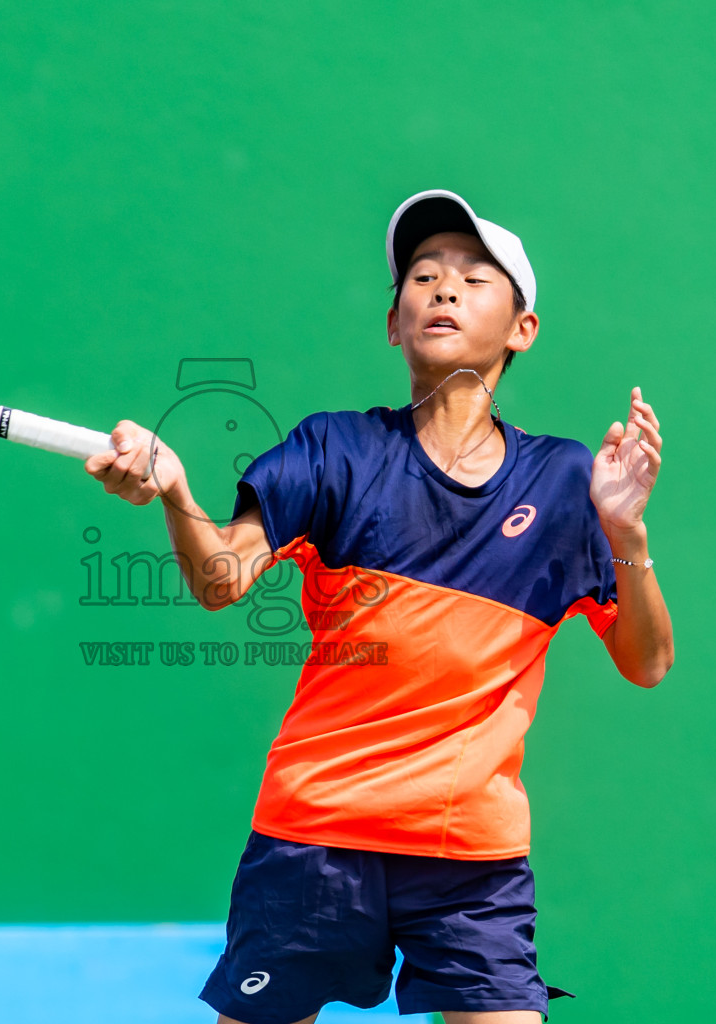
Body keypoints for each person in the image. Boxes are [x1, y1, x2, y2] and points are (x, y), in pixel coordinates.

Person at [85, 189, 675, 1024]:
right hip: (315, 835)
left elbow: (647, 662)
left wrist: (624, 530)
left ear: (522, 328)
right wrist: (179, 491)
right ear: (393, 323)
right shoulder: (335, 451)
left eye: (474, 278)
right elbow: (221, 579)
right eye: (424, 276)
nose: (443, 289)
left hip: (469, 856)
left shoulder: (566, 482)